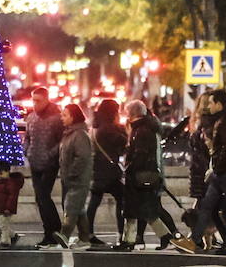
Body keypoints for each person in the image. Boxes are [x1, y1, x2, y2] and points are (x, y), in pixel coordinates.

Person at [174, 89, 226, 257]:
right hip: (219, 173)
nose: (209, 105)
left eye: (211, 102)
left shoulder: (225, 123)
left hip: (225, 173)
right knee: (206, 208)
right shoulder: (221, 121)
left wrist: (216, 168)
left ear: (219, 104)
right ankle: (193, 241)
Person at [116, 100, 177, 251]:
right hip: (144, 175)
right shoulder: (147, 128)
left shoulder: (140, 131)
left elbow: (139, 155)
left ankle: (130, 240)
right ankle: (163, 237)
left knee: (135, 210)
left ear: (131, 114)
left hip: (138, 176)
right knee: (146, 211)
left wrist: (129, 168)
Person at [24, 85, 65, 247]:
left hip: (49, 163)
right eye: (33, 100)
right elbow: (27, 137)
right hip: (35, 161)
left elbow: (62, 140)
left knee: (43, 196)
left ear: (46, 100)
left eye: (38, 100)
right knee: (40, 198)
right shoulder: (31, 117)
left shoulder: (56, 118)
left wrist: (51, 154)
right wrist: (27, 150)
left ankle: (52, 230)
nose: (35, 104)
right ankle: (50, 231)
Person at [87, 99, 126, 243]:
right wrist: (122, 129)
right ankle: (122, 233)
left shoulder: (96, 126)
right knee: (122, 199)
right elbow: (122, 142)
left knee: (94, 202)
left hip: (99, 169)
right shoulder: (109, 128)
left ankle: (88, 233)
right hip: (109, 172)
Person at [57, 102, 96, 248]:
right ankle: (84, 238)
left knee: (71, 206)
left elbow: (83, 157)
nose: (62, 117)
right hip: (71, 177)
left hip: (78, 179)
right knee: (79, 209)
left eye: (65, 115)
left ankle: (64, 234)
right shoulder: (70, 133)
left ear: (73, 117)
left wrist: (72, 173)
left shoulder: (79, 135)